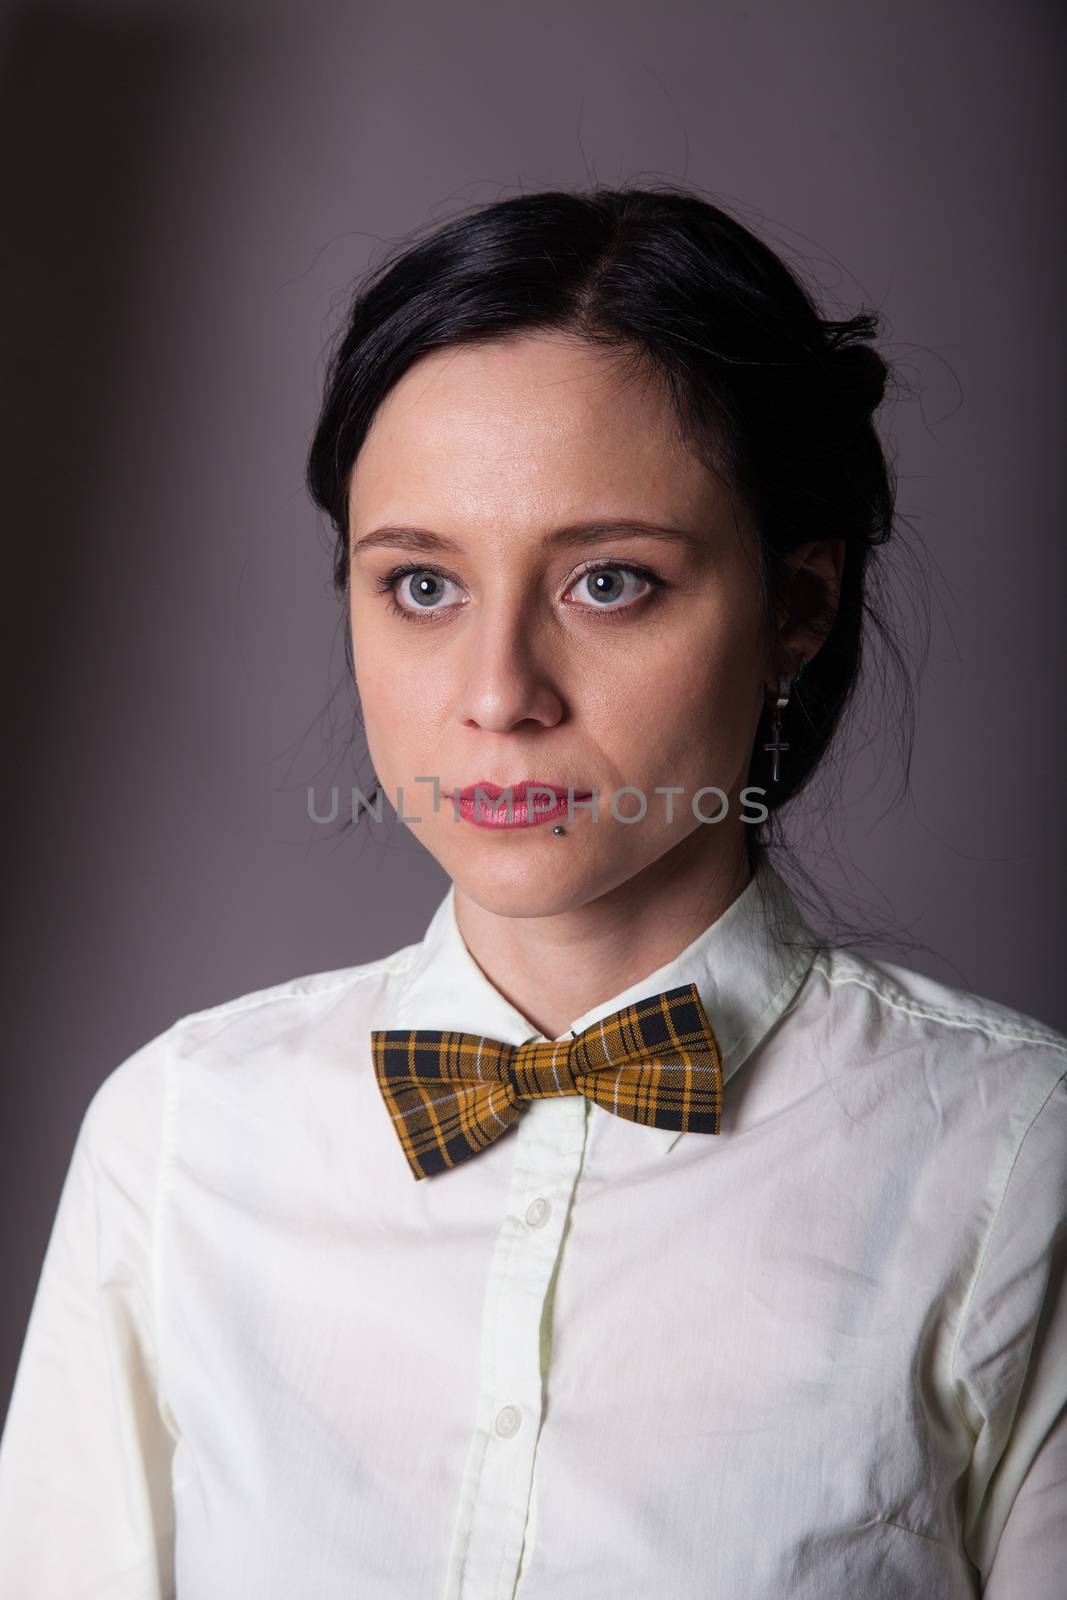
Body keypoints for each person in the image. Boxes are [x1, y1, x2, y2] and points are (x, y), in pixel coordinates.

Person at [0, 184, 1063, 1600]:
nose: (499, 695)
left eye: (610, 581)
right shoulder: (181, 1139)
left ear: (797, 607)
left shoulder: (1015, 1159)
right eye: (422, 587)